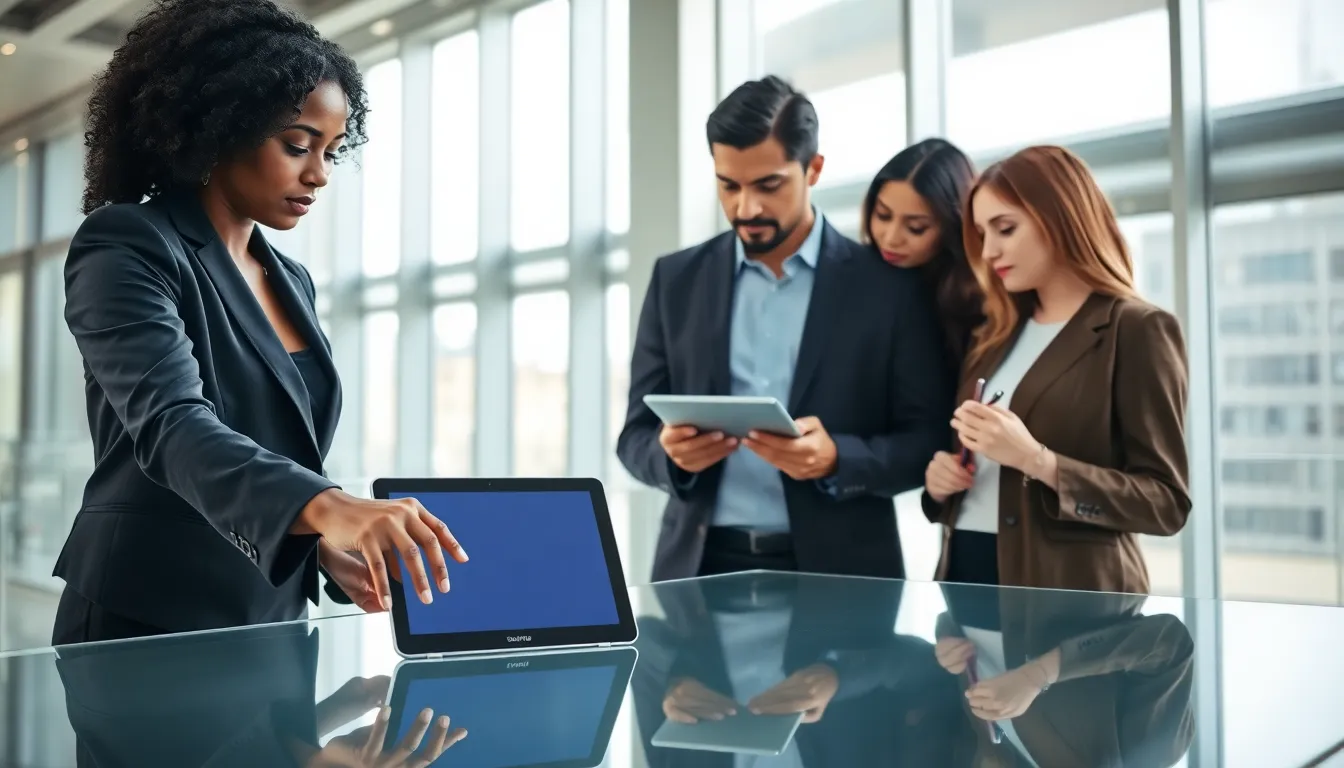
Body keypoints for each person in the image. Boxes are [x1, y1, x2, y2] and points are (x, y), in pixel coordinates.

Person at [52, 0, 466, 645]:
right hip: (147, 615)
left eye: (331, 149)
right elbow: (172, 426)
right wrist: (332, 508)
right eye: (297, 145)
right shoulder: (126, 243)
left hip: (271, 614)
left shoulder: (289, 278)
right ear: (218, 130)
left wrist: (316, 544)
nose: (319, 174)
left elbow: (275, 444)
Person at [617, 75, 952, 581]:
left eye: (768, 185)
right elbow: (634, 438)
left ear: (813, 169)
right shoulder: (676, 280)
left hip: (843, 576)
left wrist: (839, 457)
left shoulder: (889, 289)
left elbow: (926, 439)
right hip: (698, 571)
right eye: (729, 185)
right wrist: (671, 457)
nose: (746, 208)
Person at [921, 145, 1191, 594]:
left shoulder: (1137, 329)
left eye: (1005, 228)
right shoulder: (994, 335)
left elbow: (1165, 504)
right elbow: (978, 472)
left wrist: (1037, 461)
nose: (988, 251)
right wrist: (940, 483)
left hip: (1069, 597)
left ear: (1060, 217)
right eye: (983, 233)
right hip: (963, 581)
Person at [862, 138, 983, 369]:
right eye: (883, 215)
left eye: (916, 227)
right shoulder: (856, 273)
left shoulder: (977, 302)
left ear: (954, 227)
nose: (891, 238)